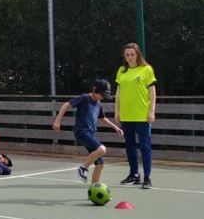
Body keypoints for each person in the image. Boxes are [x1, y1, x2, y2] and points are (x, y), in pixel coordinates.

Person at [51, 80, 123, 185]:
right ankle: (83, 168)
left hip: (91, 134)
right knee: (102, 149)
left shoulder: (98, 103)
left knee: (100, 164)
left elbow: (102, 118)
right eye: (101, 94)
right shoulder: (84, 98)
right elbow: (66, 105)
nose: (102, 97)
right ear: (94, 90)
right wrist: (57, 120)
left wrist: (116, 127)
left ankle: (94, 188)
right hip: (81, 132)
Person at [114, 42, 158, 189]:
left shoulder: (147, 69)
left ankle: (147, 177)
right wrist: (117, 111)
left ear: (137, 55)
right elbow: (118, 93)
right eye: (127, 55)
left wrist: (151, 111)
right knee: (130, 146)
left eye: (132, 54)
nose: (130, 57)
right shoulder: (121, 71)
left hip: (142, 115)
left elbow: (152, 92)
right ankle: (134, 174)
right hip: (126, 115)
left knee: (145, 146)